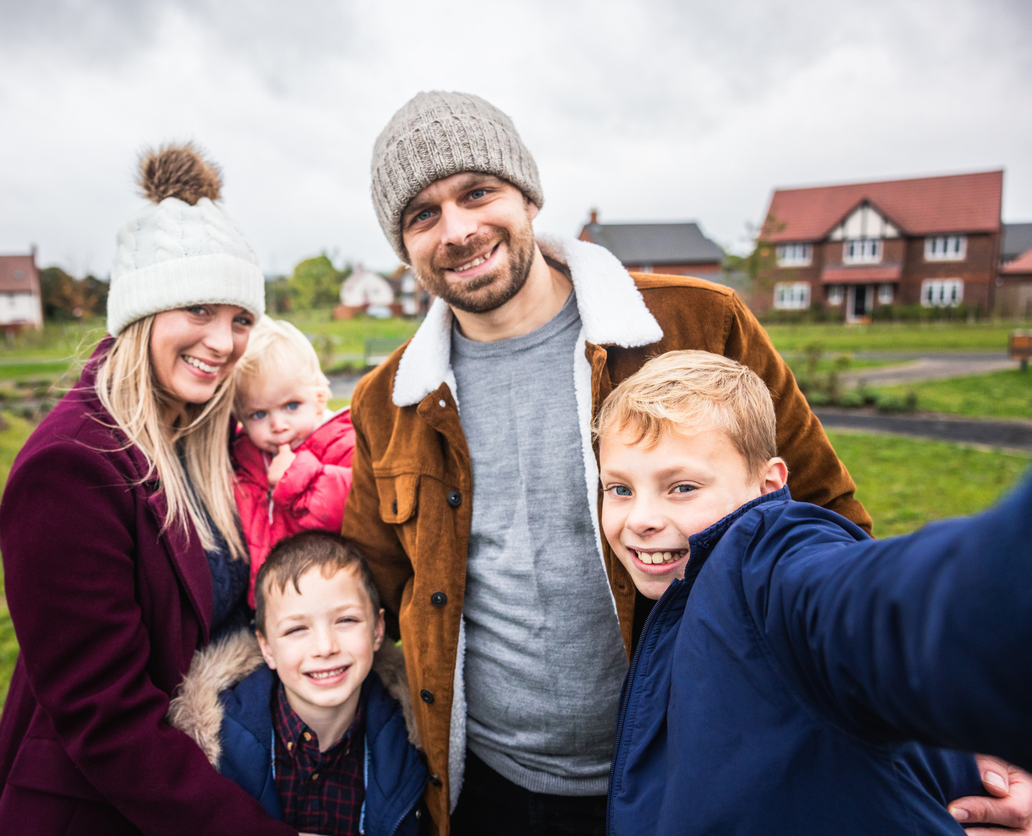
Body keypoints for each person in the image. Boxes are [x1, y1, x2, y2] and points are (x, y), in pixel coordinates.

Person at [341, 90, 1031, 835]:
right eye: (423, 214)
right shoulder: (388, 399)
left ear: (528, 196)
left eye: (477, 192)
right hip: (484, 786)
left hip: (691, 774)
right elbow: (368, 585)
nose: (458, 229)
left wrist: (956, 736)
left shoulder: (697, 322)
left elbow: (828, 532)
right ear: (402, 246)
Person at [0, 144, 295, 835]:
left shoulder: (202, 436)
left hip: (209, 782)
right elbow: (106, 722)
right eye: (198, 309)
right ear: (143, 312)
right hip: (106, 810)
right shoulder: (70, 468)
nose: (224, 341)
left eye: (241, 318)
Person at [596, 350, 1032, 834]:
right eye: (620, 489)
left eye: (682, 487)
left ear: (768, 485)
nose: (641, 519)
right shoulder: (682, 599)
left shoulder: (769, 567)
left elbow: (893, 611)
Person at [168, 532, 429, 836]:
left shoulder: (410, 741)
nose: (325, 647)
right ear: (267, 648)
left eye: (346, 620)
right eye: (296, 629)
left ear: (377, 630)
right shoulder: (222, 748)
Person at [231, 318, 354, 604]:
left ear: (319, 401)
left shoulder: (340, 442)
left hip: (331, 594)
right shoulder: (246, 454)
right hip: (269, 599)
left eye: (292, 406)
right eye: (259, 414)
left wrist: (295, 476)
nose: (278, 425)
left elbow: (353, 502)